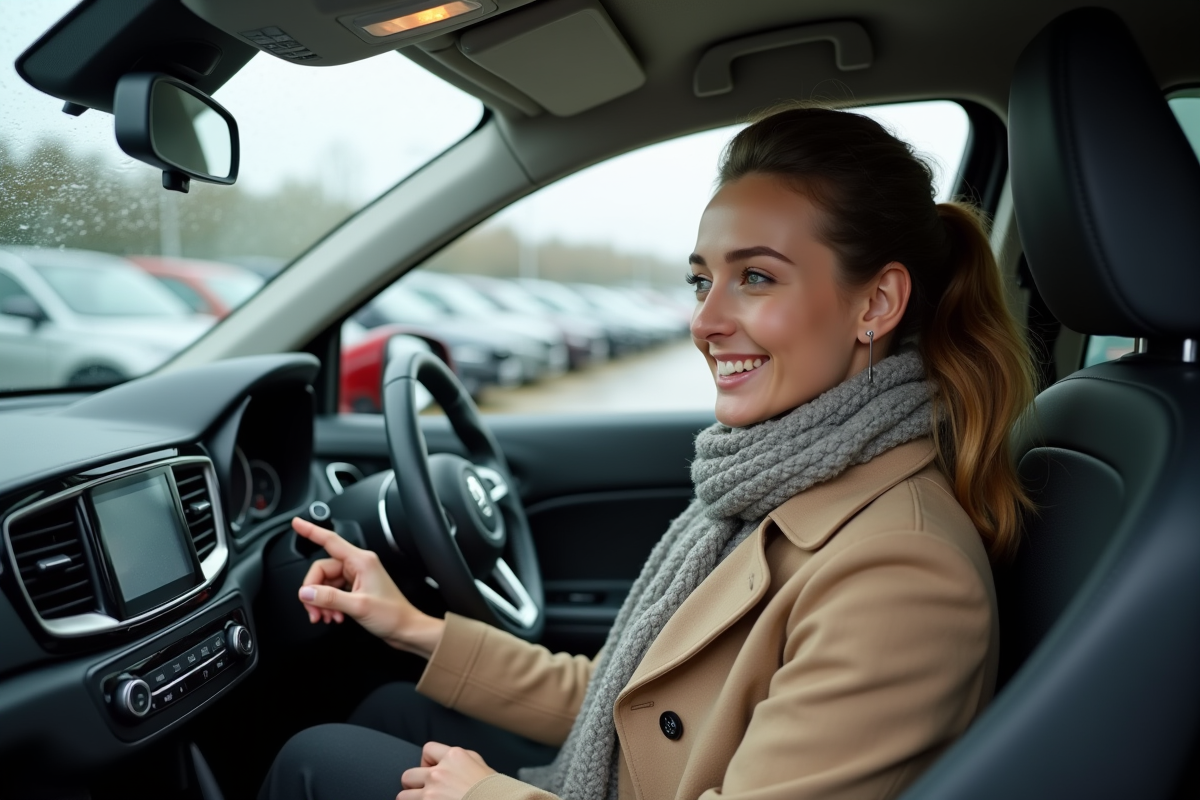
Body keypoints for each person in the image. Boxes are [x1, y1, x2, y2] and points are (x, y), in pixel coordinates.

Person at [260, 106, 1035, 800]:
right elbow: (627, 700)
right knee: (396, 707)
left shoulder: (903, 572)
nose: (706, 321)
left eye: (756, 277)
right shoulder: (776, 478)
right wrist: (411, 625)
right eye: (703, 281)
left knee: (315, 759)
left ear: (876, 304)